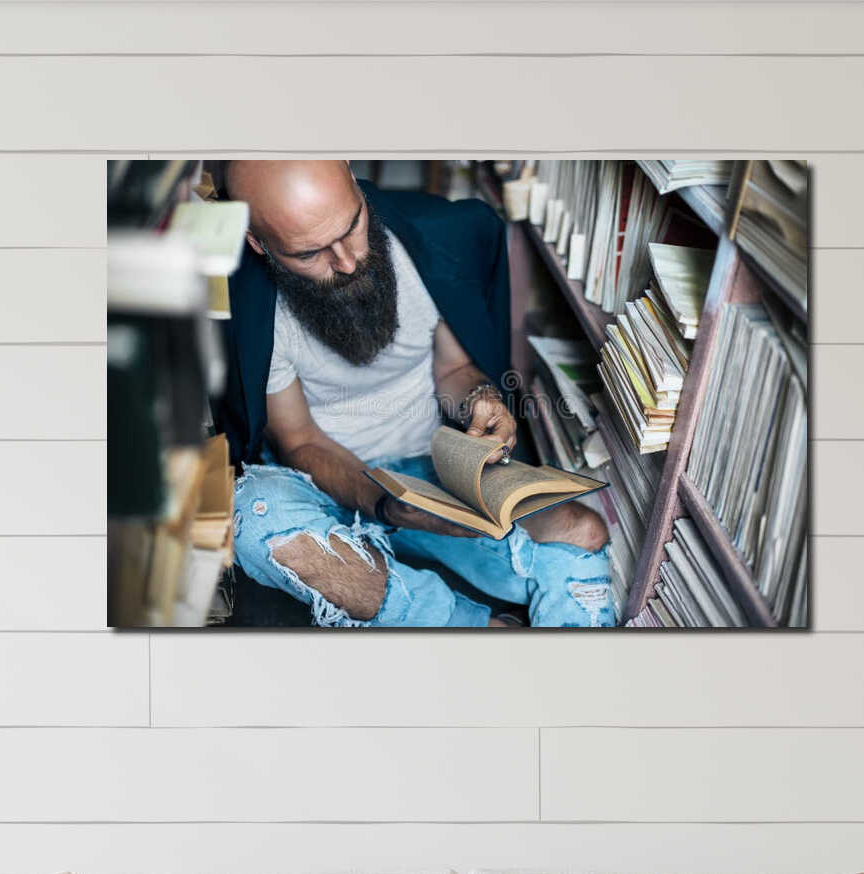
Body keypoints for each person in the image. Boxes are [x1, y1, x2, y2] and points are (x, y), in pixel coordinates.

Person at [213, 160, 614, 628]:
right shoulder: (253, 303)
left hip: (434, 476)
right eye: (309, 254)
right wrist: (382, 501)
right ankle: (472, 628)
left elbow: (456, 368)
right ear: (258, 243)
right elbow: (299, 440)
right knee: (254, 520)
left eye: (352, 226)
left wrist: (481, 397)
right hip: (327, 481)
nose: (347, 262)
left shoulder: (433, 243)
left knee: (580, 532)